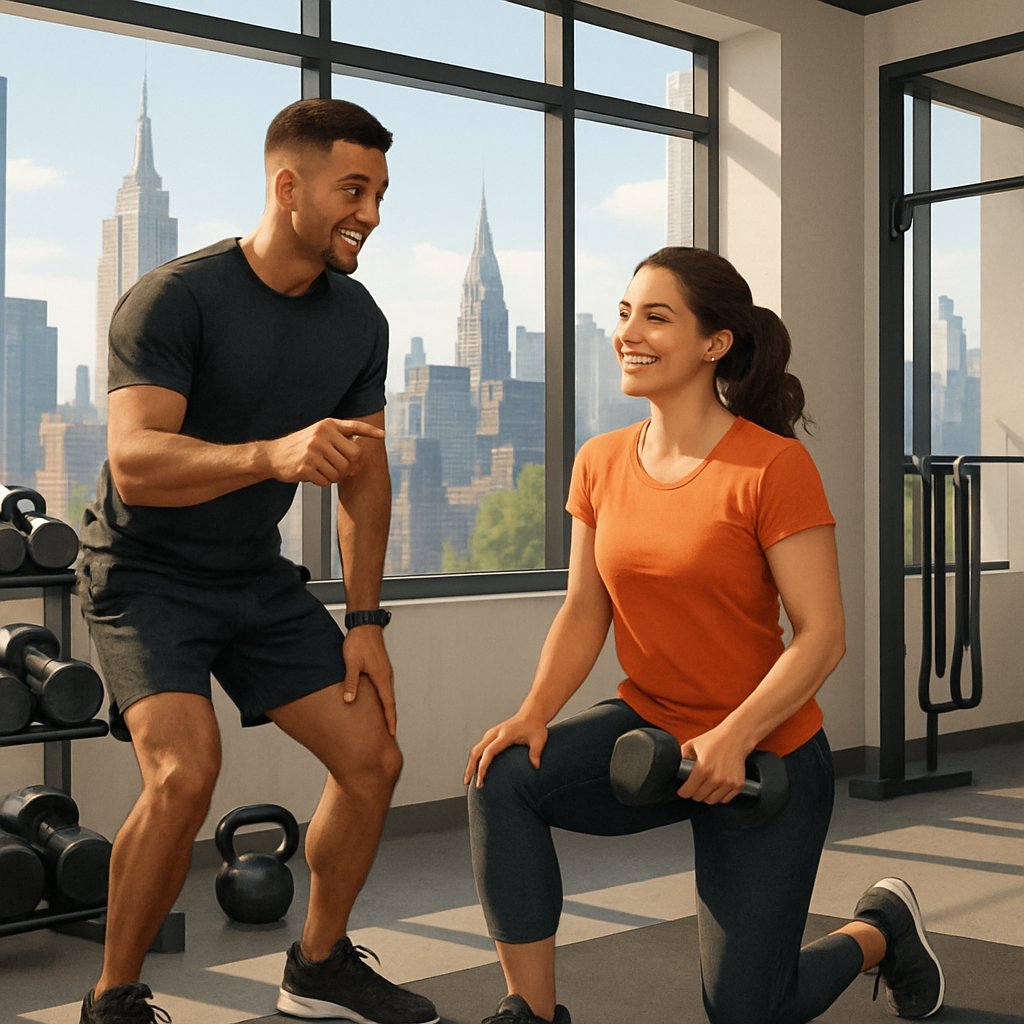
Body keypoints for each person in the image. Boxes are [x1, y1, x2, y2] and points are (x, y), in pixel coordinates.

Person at [464, 248, 945, 1024]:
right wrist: (533, 711)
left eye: (656, 317)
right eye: (624, 313)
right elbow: (586, 609)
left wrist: (733, 736)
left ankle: (879, 931)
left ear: (714, 343)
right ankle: (530, 1013)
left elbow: (822, 637)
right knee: (504, 775)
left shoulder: (772, 467)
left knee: (747, 1012)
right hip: (651, 735)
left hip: (767, 754)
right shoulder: (601, 461)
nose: (629, 332)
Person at [76, 98, 438, 1024]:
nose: (372, 213)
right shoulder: (176, 297)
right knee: (185, 771)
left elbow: (365, 481)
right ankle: (113, 1001)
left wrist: (365, 624)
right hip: (145, 573)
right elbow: (138, 465)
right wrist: (271, 455)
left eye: (381, 193)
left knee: (372, 760)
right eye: (353, 190)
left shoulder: (358, 320)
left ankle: (318, 965)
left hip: (250, 574)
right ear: (289, 186)